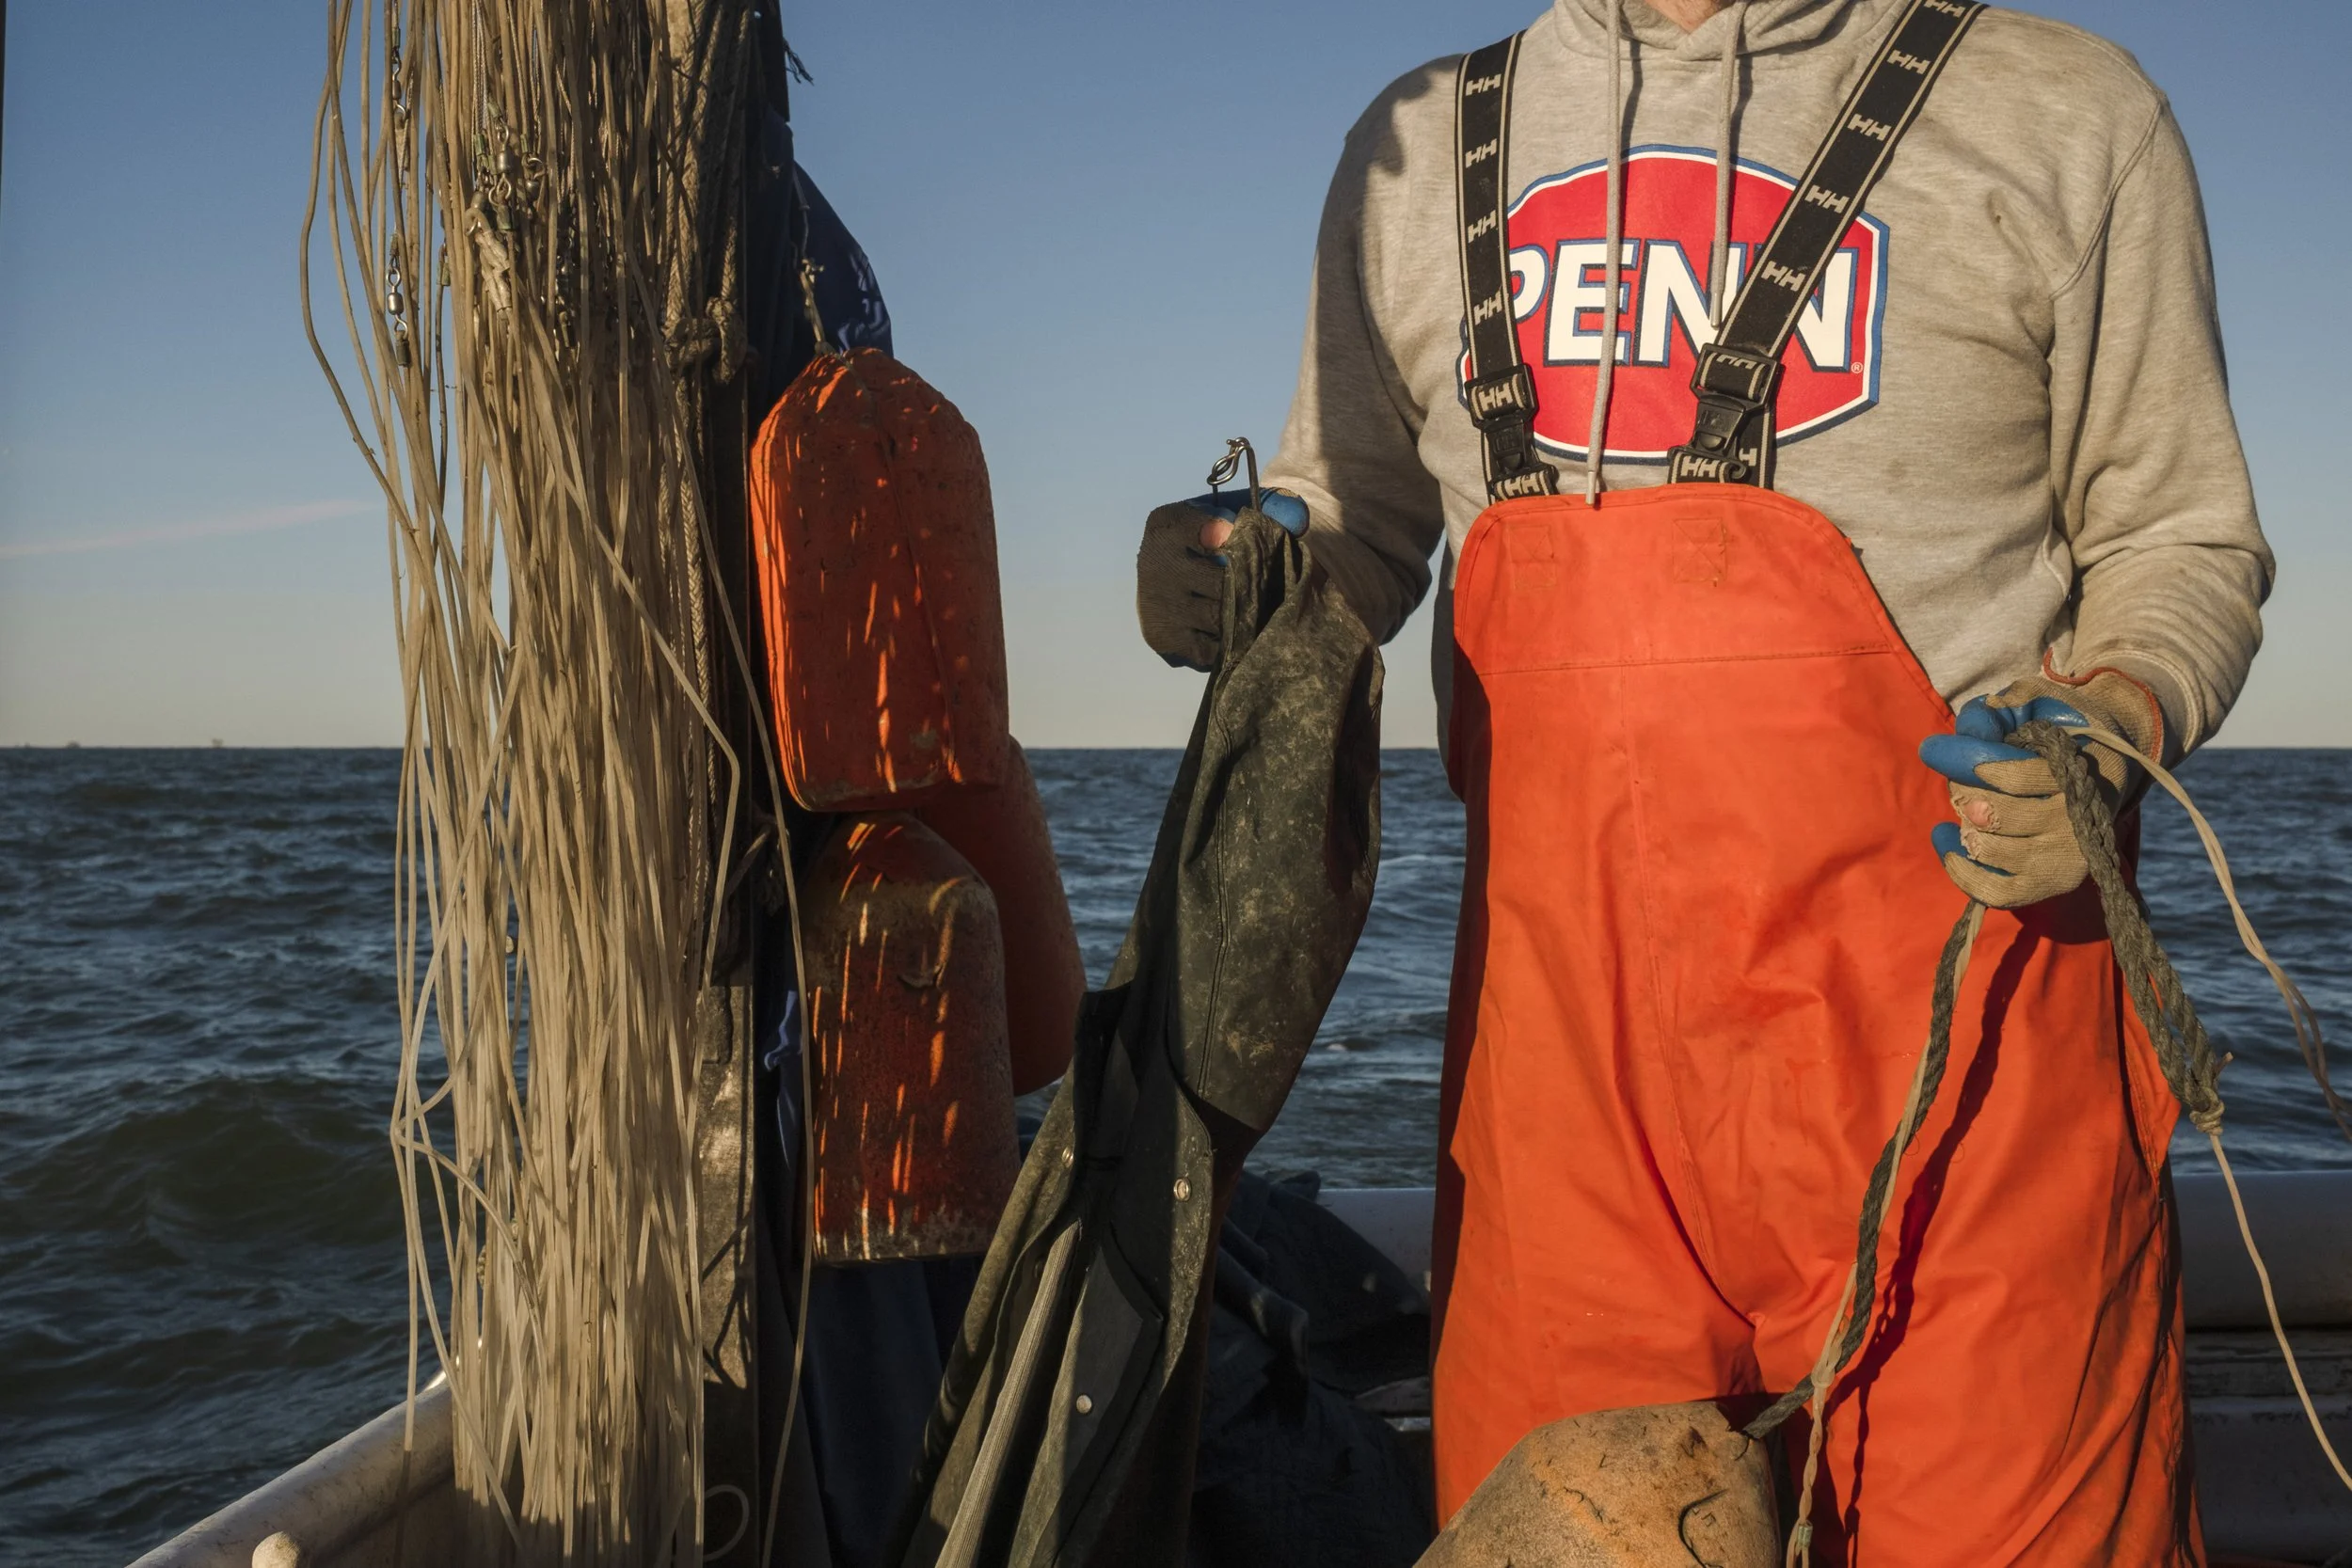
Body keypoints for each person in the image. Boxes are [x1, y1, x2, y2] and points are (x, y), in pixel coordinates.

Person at [1133, 1, 2270, 1562]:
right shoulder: (1413, 149)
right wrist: (1260, 563)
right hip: (1567, 1106)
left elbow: (2180, 539)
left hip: (1977, 1072)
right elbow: (1364, 510)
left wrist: (2116, 707)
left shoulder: (2067, 113)